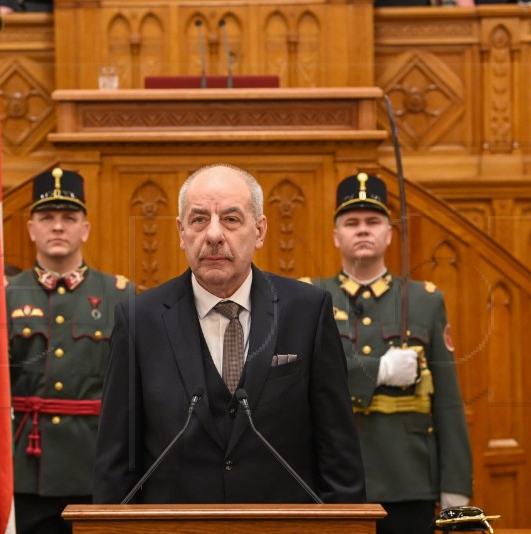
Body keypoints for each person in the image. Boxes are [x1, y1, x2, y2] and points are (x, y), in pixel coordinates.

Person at [93, 163, 366, 505]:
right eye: (198, 219)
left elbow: (338, 451)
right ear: (181, 232)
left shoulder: (307, 311)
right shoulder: (138, 320)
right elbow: (116, 462)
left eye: (231, 219)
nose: (213, 234)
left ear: (260, 229)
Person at [303, 172, 472, 534]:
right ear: (336, 236)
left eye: (373, 221)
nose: (362, 230)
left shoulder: (425, 300)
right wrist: (377, 370)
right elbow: (301, 377)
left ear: (389, 233)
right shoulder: (309, 299)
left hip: (408, 480)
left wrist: (456, 487)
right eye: (351, 223)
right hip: (331, 479)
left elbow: (448, 399)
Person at [5, 168, 134, 533]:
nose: (57, 227)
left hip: (95, 468)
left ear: (85, 229)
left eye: (69, 218)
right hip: (28, 471)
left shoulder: (120, 295)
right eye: (46, 218)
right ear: (32, 229)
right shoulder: (3, 296)